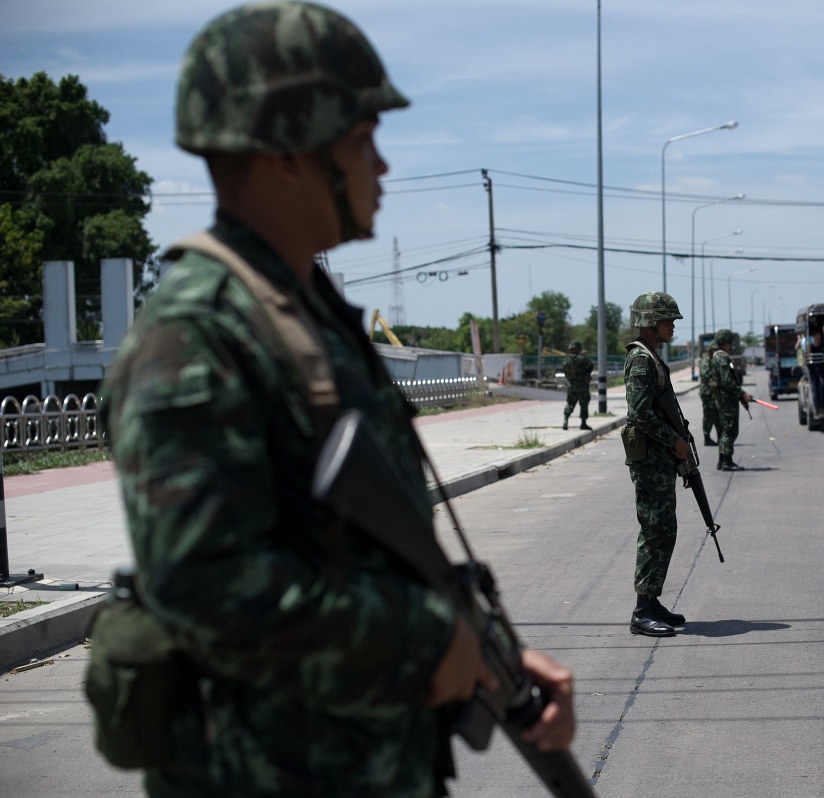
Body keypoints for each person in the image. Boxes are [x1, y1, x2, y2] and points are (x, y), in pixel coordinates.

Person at [98, 4, 574, 795]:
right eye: (360, 140)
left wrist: (488, 657)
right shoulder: (197, 333)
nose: (380, 166)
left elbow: (361, 553)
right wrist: (425, 642)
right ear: (288, 152)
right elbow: (204, 589)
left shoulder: (303, 309)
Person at [621, 291, 690, 638]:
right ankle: (642, 610)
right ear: (650, 322)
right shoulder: (641, 360)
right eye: (668, 321)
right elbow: (640, 415)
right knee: (654, 531)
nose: (672, 327)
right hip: (650, 461)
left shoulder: (653, 358)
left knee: (665, 530)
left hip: (659, 460)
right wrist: (674, 441)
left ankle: (652, 600)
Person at [711, 329, 753, 471]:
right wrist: (742, 394)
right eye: (730, 342)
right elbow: (728, 382)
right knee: (730, 430)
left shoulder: (717, 356)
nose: (731, 345)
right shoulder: (722, 358)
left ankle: (721, 460)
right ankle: (727, 462)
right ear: (726, 342)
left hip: (722, 399)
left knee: (724, 430)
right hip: (726, 400)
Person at [562, 339, 594, 430]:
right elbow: (591, 366)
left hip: (571, 385)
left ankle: (565, 420)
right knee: (583, 404)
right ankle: (583, 423)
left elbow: (565, 372)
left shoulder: (566, 360)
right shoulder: (582, 359)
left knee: (570, 403)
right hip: (582, 385)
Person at [698, 338, 721, 445]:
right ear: (711, 350)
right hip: (707, 393)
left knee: (716, 414)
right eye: (715, 349)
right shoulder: (706, 360)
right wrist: (718, 382)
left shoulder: (713, 359)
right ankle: (706, 437)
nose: (716, 351)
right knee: (708, 415)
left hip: (713, 392)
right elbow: (706, 376)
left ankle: (718, 436)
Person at [807, 328, 824, 416]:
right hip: (813, 370)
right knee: (814, 390)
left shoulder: (823, 345)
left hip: (821, 370)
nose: (817, 337)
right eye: (816, 335)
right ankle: (817, 408)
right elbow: (809, 356)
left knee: (822, 388)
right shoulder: (810, 345)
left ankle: (823, 407)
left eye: (819, 335)